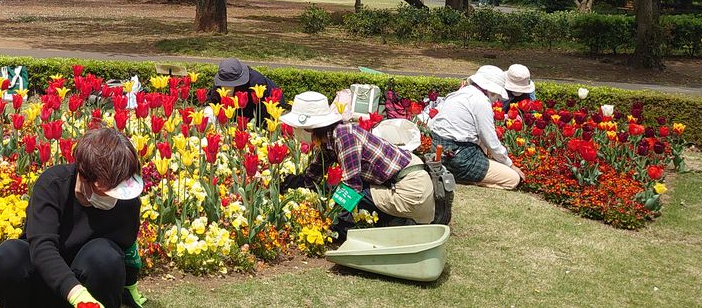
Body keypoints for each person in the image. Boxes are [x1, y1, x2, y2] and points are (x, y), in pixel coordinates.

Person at [0, 128, 146, 308]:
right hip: (44, 283)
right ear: (85, 177)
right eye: (109, 190)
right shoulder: (53, 184)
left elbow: (125, 248)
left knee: (105, 256)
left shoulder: (127, 201)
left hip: (93, 287)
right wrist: (78, 296)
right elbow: (42, 248)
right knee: (8, 255)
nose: (116, 197)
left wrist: (130, 287)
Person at [280, 92, 435, 229]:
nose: (296, 132)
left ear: (312, 128)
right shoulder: (328, 139)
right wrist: (290, 187)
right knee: (332, 190)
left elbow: (351, 187)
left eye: (300, 128)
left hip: (410, 191)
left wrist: (331, 220)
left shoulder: (344, 137)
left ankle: (396, 221)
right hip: (400, 179)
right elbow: (313, 175)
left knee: (340, 197)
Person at [429, 65, 524, 190]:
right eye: (497, 95)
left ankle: (458, 174)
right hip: (460, 157)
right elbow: (491, 141)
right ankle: (463, 178)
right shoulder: (481, 101)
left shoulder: (459, 93)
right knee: (512, 179)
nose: (497, 100)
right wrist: (510, 165)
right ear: (492, 90)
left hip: (438, 151)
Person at [208, 57, 279, 123]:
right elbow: (215, 104)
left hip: (267, 105)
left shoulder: (256, 81)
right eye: (225, 84)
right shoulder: (220, 82)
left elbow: (263, 112)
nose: (227, 87)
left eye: (231, 84)